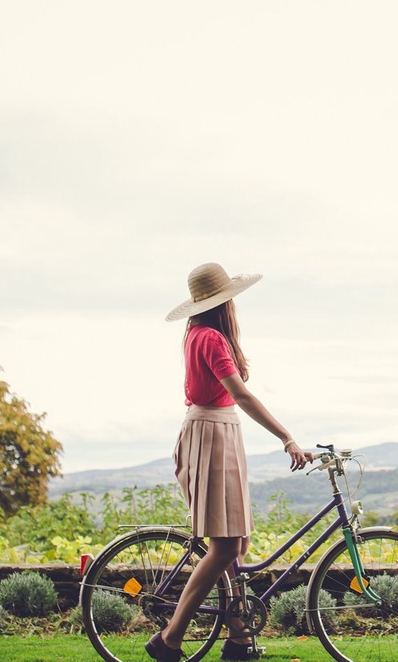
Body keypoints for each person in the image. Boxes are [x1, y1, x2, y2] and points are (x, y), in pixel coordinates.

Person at [146, 262, 314, 662]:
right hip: (212, 435)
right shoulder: (212, 340)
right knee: (224, 547)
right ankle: (170, 639)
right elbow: (240, 395)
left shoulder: (197, 334)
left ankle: (239, 639)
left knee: (236, 543)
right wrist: (287, 438)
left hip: (215, 431)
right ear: (225, 302)